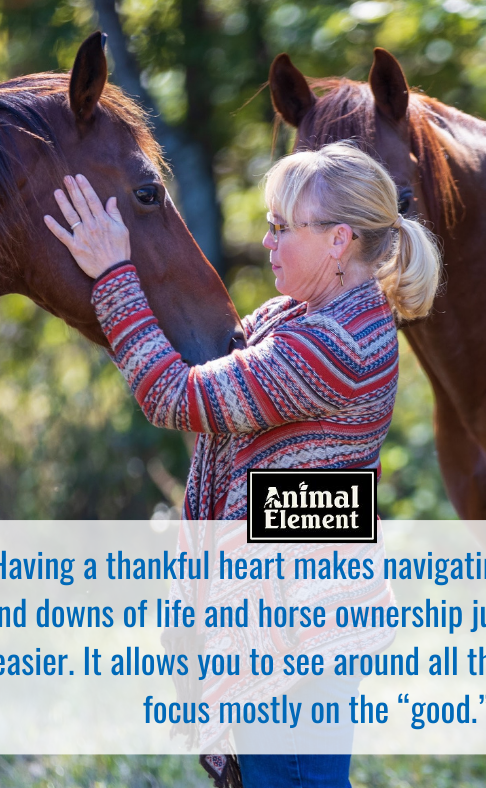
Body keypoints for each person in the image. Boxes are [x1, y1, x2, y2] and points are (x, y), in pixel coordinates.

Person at [44, 141, 442, 788]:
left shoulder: (332, 344)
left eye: (283, 228)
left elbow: (179, 396)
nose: (266, 242)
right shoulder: (306, 315)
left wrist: (114, 275)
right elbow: (225, 361)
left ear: (339, 241)